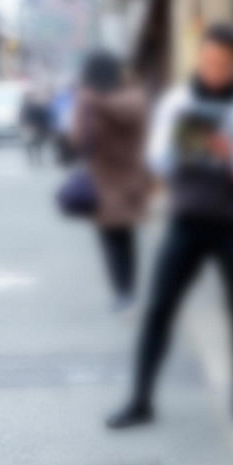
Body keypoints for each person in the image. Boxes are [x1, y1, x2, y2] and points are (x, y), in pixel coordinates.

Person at [107, 23, 233, 430]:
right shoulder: (178, 102)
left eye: (221, 63)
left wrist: (231, 151)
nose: (213, 69)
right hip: (186, 219)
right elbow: (157, 161)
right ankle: (140, 399)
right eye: (207, 61)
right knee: (159, 307)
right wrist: (183, 142)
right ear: (199, 59)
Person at [72, 51, 150, 309]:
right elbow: (80, 141)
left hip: (121, 179)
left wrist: (90, 102)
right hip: (114, 180)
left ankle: (124, 291)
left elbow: (80, 141)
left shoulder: (118, 98)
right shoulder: (131, 94)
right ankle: (124, 290)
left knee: (118, 238)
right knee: (119, 238)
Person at [21, 89, 52, 165]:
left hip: (35, 128)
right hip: (31, 128)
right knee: (31, 144)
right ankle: (34, 160)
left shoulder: (35, 105)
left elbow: (43, 116)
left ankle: (35, 160)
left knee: (35, 145)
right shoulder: (29, 105)